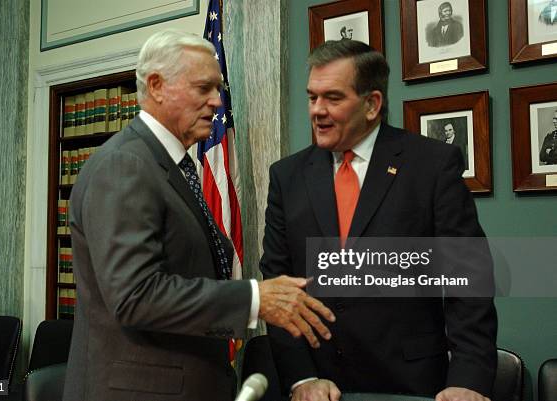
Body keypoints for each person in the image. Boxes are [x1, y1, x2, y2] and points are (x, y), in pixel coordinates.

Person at [62, 30, 335, 401]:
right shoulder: (125, 165)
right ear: (157, 86)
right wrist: (255, 300)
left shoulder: (173, 167)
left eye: (218, 89)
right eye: (204, 88)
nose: (217, 102)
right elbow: (134, 295)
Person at [260, 39, 497, 401]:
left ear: (372, 104)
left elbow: (469, 282)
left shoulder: (431, 166)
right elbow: (279, 288)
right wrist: (301, 378)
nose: (317, 110)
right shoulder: (287, 177)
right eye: (312, 97)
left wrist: (468, 379)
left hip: (411, 384)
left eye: (333, 98)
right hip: (320, 388)